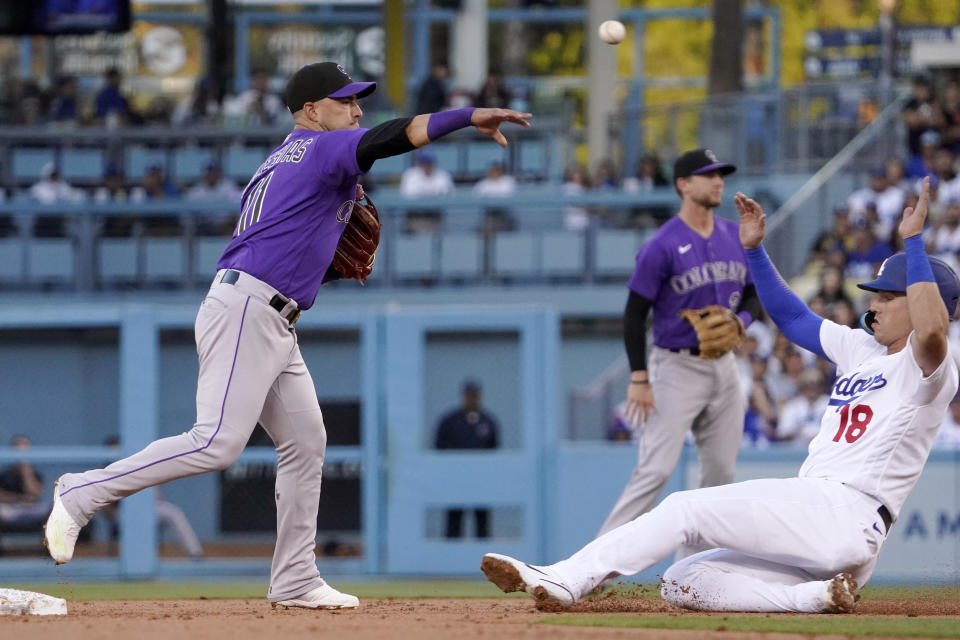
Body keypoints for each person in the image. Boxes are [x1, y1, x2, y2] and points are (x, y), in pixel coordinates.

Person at [43, 61, 531, 610]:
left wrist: (323, 262)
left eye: (357, 100)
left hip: (270, 312)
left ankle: (295, 577)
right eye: (345, 101)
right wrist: (466, 116)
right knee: (217, 442)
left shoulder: (289, 160)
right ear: (310, 111)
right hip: (248, 309)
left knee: (306, 442)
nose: (356, 109)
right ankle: (82, 492)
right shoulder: (319, 148)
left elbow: (291, 244)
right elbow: (395, 136)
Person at [481, 177, 960, 614]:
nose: (873, 302)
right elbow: (792, 318)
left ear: (924, 301)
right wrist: (754, 252)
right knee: (684, 579)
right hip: (828, 530)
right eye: (875, 293)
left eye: (888, 296)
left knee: (684, 508)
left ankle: (567, 577)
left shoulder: (930, 368)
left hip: (845, 507)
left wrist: (914, 242)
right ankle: (812, 596)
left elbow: (934, 327)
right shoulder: (861, 348)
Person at [596, 148, 762, 538]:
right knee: (654, 470)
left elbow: (756, 296)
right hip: (675, 367)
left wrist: (742, 321)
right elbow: (634, 314)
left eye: (721, 174)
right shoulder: (662, 245)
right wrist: (639, 377)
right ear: (683, 185)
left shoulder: (733, 236)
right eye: (709, 175)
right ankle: (591, 567)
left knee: (720, 476)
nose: (719, 181)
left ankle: (695, 575)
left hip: (724, 367)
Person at [434, 379, 500, 539]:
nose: (472, 398)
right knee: (454, 523)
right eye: (469, 395)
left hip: (481, 481)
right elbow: (439, 447)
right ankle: (450, 559)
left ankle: (485, 560)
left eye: (475, 395)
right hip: (455, 481)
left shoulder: (488, 421)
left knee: (482, 525)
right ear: (463, 396)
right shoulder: (449, 421)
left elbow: (494, 449)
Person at [399, 150, 454, 233]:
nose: (427, 165)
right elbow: (407, 197)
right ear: (419, 163)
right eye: (424, 162)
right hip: (416, 216)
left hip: (435, 216)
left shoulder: (442, 175)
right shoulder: (410, 175)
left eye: (429, 163)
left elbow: (449, 195)